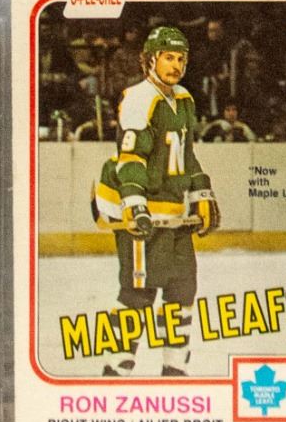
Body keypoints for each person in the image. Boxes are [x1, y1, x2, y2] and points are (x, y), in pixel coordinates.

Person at [91, 26, 219, 377]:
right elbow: (131, 158)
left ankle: (174, 370)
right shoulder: (138, 98)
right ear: (149, 60)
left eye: (181, 59)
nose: (176, 65)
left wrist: (202, 193)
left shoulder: (184, 99)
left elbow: (186, 156)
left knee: (182, 289)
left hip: (174, 214)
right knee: (138, 294)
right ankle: (115, 370)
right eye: (168, 57)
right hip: (140, 209)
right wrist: (134, 204)